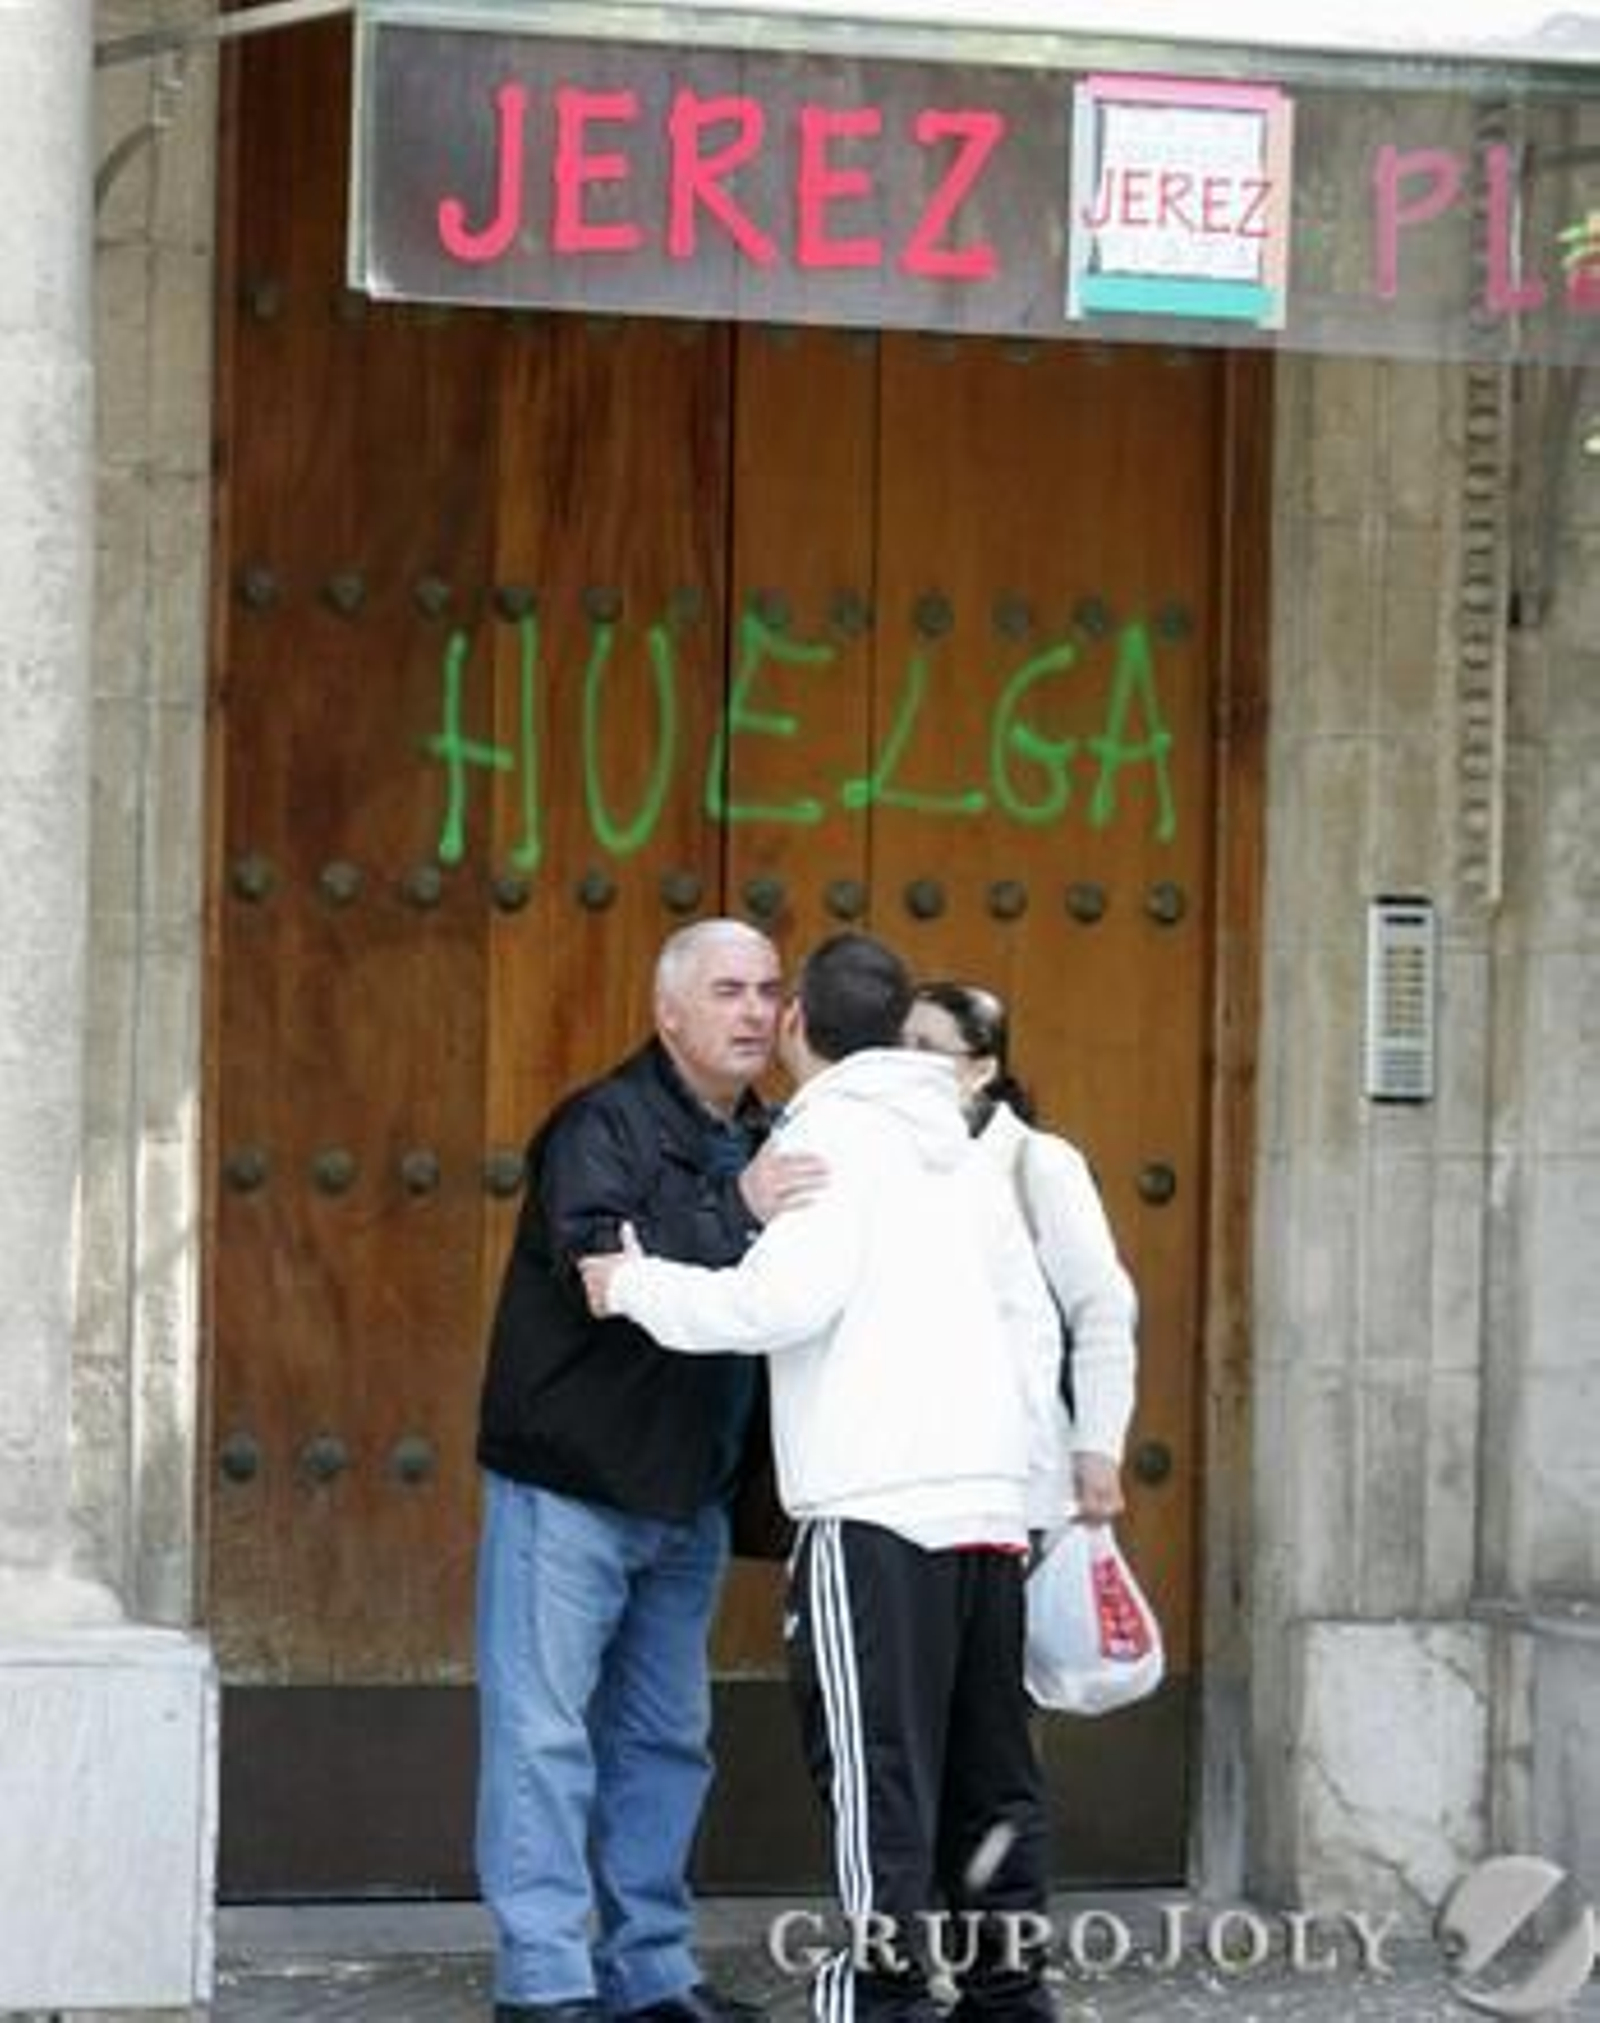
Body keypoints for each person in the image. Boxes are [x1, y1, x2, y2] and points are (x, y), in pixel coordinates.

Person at [582, 932, 1067, 2023]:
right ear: (901, 1028)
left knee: (875, 1772)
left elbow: (773, 1304)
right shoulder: (971, 1150)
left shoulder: (834, 1136)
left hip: (876, 1510)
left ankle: (883, 1995)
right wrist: (1025, 1481)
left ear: (796, 1019)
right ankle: (1008, 1994)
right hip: (988, 1511)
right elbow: (1030, 1328)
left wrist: (634, 1285)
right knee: (994, 1770)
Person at [474, 918, 824, 2023]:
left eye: (769, 989)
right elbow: (605, 1264)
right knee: (542, 1734)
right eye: (727, 989)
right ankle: (543, 1980)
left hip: (689, 1492)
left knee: (667, 1741)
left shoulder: (774, 1131)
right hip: (569, 1484)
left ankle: (651, 1972)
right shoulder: (600, 1123)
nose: (754, 1011)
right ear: (668, 1011)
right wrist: (742, 1207)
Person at [904, 981, 1138, 1525]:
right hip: (907, 1476)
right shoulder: (884, 1156)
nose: (906, 1064)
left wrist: (1098, 1446)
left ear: (980, 1068)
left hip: (1017, 1476)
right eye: (897, 1047)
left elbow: (1100, 1307)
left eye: (927, 1049)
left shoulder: (1038, 1165)